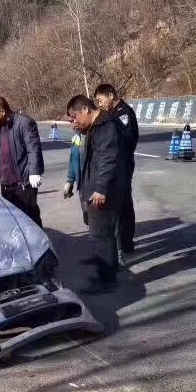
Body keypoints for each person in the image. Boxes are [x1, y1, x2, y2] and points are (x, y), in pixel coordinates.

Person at [65, 95, 126, 295]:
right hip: (99, 188)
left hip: (104, 191)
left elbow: (108, 159)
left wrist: (100, 188)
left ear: (85, 110)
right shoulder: (95, 127)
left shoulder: (106, 126)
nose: (74, 122)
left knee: (101, 235)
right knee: (103, 234)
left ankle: (106, 280)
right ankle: (109, 266)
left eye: (74, 117)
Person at [94, 84, 139, 265]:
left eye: (101, 100)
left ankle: (123, 244)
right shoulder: (113, 114)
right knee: (125, 204)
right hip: (120, 165)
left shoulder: (123, 113)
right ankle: (127, 242)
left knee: (121, 206)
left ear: (111, 95)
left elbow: (126, 141)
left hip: (122, 166)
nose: (100, 104)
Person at [0, 97, 45, 227]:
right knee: (14, 222)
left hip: (22, 185)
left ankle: (40, 245)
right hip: (6, 186)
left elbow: (33, 148)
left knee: (30, 219)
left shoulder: (24, 123)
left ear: (2, 111)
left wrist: (34, 172)